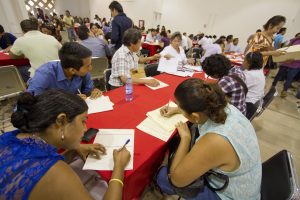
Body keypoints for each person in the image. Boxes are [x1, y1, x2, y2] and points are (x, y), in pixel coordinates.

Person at [0, 90, 131, 200]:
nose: (85, 129)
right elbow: (48, 173)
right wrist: (118, 167)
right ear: (61, 121)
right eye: (83, 121)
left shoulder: (10, 137)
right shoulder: (56, 173)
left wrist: (73, 150)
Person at [157, 78, 261, 200]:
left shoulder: (215, 140)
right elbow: (202, 113)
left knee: (163, 177)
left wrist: (185, 138)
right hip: (246, 184)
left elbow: (176, 180)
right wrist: (178, 110)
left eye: (179, 106)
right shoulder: (225, 107)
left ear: (195, 116)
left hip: (229, 195)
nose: (177, 108)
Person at [27, 42, 102, 99]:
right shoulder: (44, 75)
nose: (90, 68)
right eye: (88, 66)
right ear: (72, 70)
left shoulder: (82, 72)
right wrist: (68, 101)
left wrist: (93, 91)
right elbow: (31, 102)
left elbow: (88, 90)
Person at [272, 33, 300, 98]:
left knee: (289, 78)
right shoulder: (295, 40)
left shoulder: (295, 40)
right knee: (280, 75)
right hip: (287, 61)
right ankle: (273, 87)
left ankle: (284, 91)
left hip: (295, 63)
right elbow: (286, 47)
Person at [243, 52, 265, 119]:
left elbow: (236, 87)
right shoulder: (259, 71)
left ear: (249, 63)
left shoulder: (250, 75)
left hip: (248, 104)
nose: (243, 62)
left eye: (244, 60)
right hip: (254, 102)